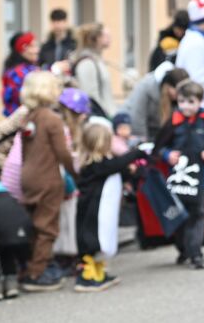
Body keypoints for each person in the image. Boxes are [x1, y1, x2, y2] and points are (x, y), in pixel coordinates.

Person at [153, 80, 204, 269]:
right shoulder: (173, 122)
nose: (186, 106)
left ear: (200, 101)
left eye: (191, 101)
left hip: (202, 179)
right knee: (179, 214)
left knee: (198, 213)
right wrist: (167, 155)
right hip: (176, 179)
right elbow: (159, 148)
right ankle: (183, 249)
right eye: (182, 101)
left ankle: (196, 253)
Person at [19, 72, 76, 291]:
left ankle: (30, 266)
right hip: (47, 176)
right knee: (47, 226)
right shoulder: (52, 118)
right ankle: (37, 272)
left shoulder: (29, 117)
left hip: (29, 176)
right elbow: (62, 152)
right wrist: (75, 170)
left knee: (34, 224)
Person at [75, 122, 145, 292]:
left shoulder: (106, 163)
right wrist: (135, 153)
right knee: (93, 241)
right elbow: (115, 165)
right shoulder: (94, 166)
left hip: (105, 212)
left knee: (104, 240)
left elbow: (119, 169)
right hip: (93, 214)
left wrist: (133, 171)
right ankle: (85, 278)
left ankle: (98, 273)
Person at [120, 64, 188, 142]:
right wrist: (142, 144)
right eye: (177, 91)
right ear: (168, 86)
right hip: (132, 132)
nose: (180, 95)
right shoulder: (146, 87)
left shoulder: (175, 100)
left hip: (154, 135)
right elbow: (138, 118)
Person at [72, 23, 115, 118]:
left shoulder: (97, 60)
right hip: (99, 118)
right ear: (97, 39)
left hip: (105, 114)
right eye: (106, 36)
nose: (110, 38)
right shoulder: (87, 63)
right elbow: (91, 96)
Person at [1, 32, 40, 116]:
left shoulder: (30, 68)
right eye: (33, 46)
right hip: (23, 122)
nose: (37, 50)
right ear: (23, 49)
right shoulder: (17, 73)